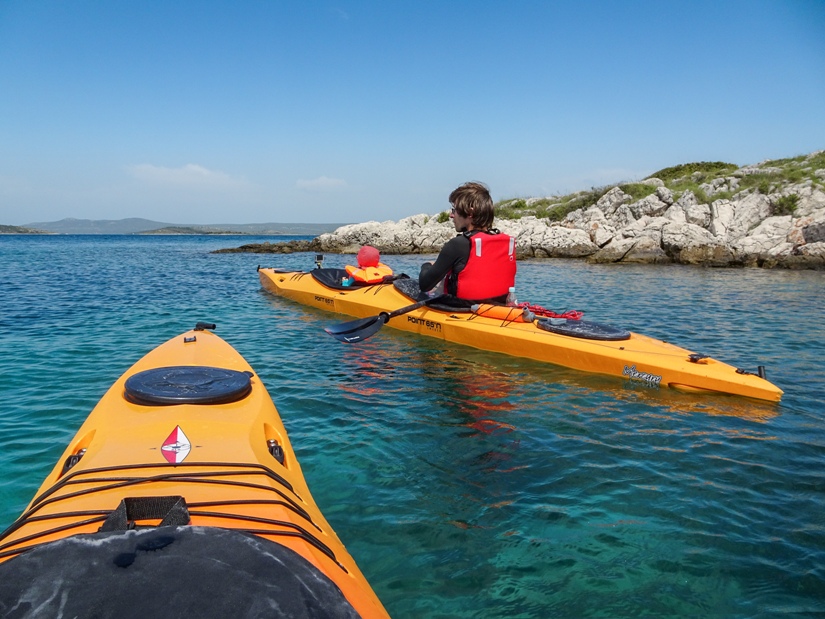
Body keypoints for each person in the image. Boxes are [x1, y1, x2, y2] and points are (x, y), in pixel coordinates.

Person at [419, 182, 516, 305]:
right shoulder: (504, 242)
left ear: (470, 213)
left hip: (461, 311)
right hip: (497, 309)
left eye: (455, 210)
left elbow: (424, 285)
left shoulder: (457, 245)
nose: (451, 215)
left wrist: (427, 265)